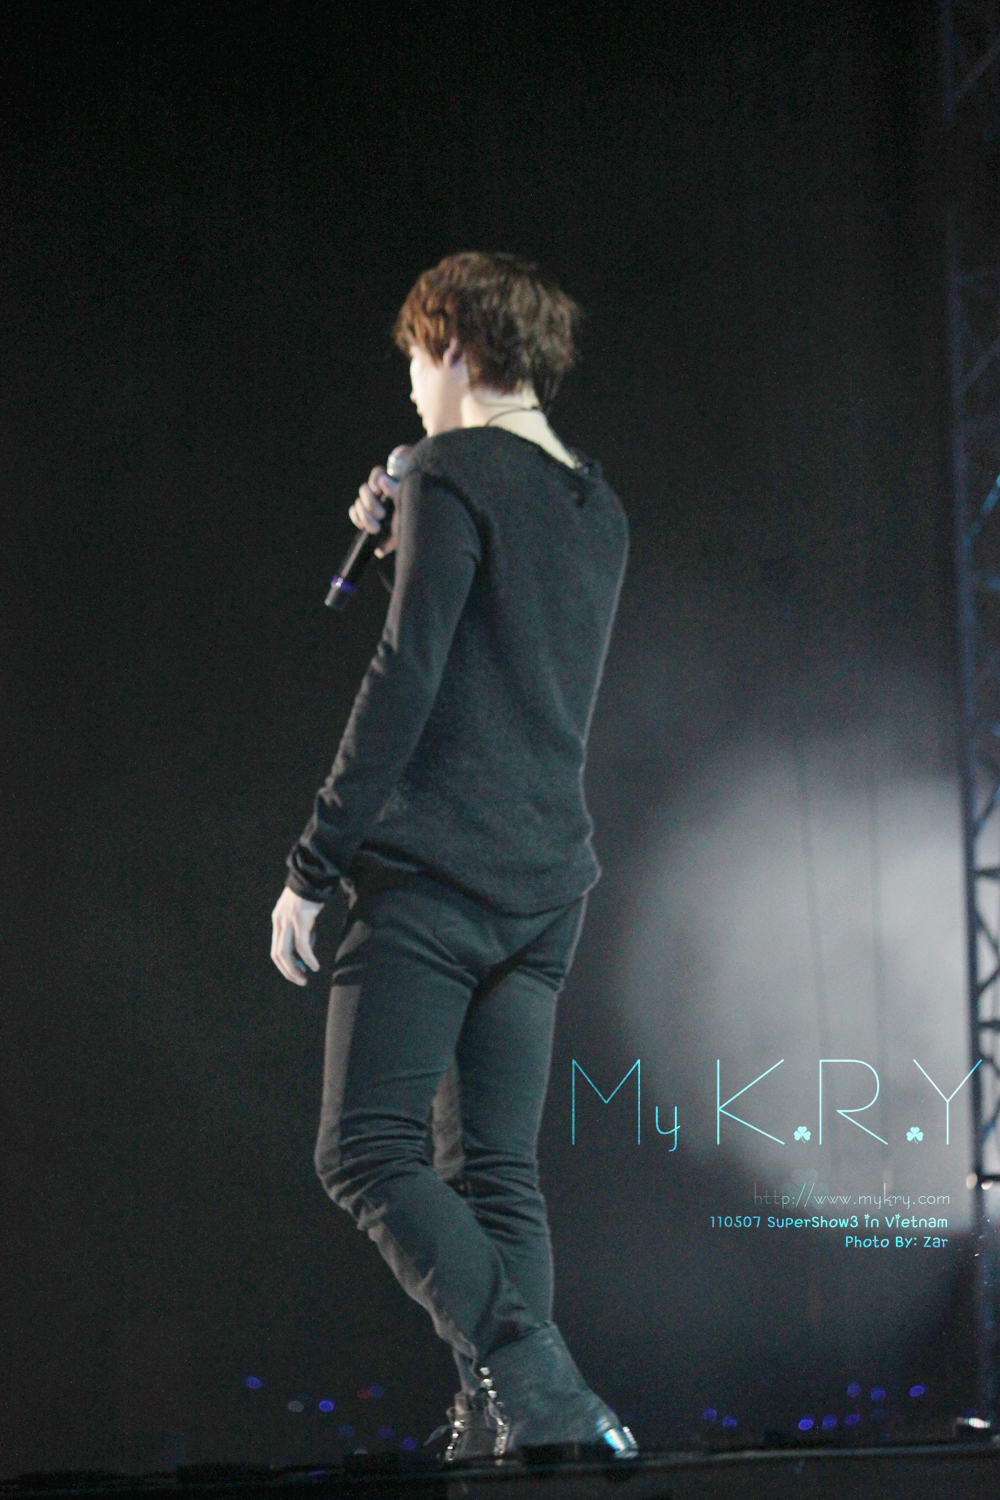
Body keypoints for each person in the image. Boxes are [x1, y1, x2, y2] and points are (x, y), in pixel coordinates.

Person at [270, 252, 634, 1462]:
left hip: (437, 874)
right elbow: (501, 644)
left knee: (363, 1150)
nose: (413, 390)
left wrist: (312, 864)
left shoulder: (447, 470)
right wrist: (409, 531)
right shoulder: (595, 504)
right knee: (494, 1173)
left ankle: (541, 1388)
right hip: (548, 881)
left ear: (458, 349)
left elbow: (408, 676)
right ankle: (511, 1425)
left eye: (417, 364)